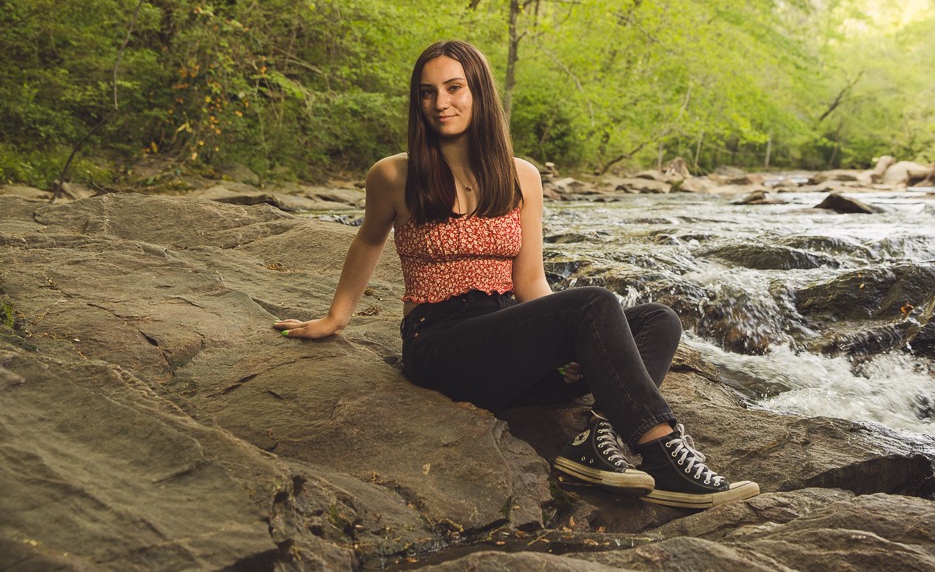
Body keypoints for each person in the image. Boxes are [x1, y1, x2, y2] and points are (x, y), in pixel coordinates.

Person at [273, 39, 759, 510]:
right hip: (440, 343)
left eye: (454, 87)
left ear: (480, 92)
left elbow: (530, 284)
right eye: (427, 92)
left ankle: (598, 439)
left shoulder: (521, 176)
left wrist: (571, 340)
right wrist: (335, 318)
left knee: (658, 320)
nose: (440, 102)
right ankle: (663, 453)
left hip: (510, 342)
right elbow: (369, 239)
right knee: (594, 302)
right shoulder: (394, 176)